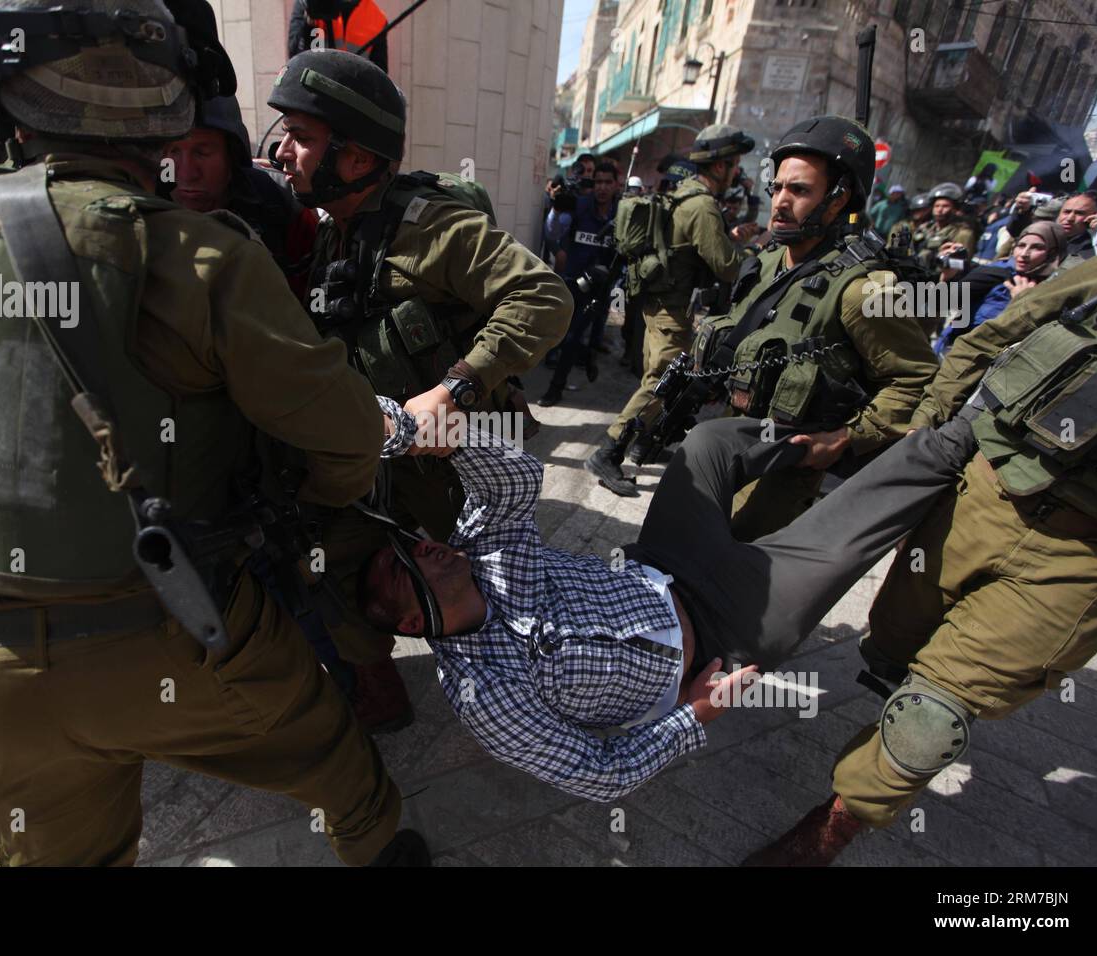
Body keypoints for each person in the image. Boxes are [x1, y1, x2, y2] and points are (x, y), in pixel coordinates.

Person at [0, 0, 425, 867]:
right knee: (331, 755)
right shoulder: (195, 255)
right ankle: (380, 848)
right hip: (172, 629)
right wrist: (305, 504)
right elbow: (346, 439)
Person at [357, 392, 980, 803]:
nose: (423, 547)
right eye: (404, 566)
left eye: (409, 541)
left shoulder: (483, 548)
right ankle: (960, 434)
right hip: (727, 635)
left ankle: (812, 447)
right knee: (848, 531)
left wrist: (416, 431)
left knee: (707, 443)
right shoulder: (487, 694)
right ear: (417, 620)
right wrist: (693, 717)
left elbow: (513, 478)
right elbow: (602, 772)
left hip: (664, 567)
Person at [750, 246, 1097, 866]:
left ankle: (831, 829)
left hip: (1086, 557)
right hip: (982, 491)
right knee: (893, 643)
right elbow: (1001, 333)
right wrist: (925, 441)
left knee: (929, 720)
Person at [267, 48, 571, 728]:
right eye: (285, 133)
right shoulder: (334, 234)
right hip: (383, 462)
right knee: (322, 559)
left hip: (458, 468)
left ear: (355, 156)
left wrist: (455, 389)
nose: (284, 152)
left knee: (499, 599)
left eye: (303, 137)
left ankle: (547, 694)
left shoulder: (431, 227)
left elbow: (544, 297)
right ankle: (379, 684)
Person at [682, 115, 939, 541]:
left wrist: (844, 438)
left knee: (733, 567)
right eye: (778, 187)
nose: (780, 202)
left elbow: (915, 380)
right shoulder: (765, 264)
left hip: (784, 469)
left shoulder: (862, 290)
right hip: (731, 443)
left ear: (839, 200)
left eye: (799, 190)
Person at [585, 127, 758, 496]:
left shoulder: (683, 195)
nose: (736, 173)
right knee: (662, 380)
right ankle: (609, 452)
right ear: (720, 165)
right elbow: (726, 266)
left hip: (655, 301)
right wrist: (750, 254)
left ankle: (644, 442)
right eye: (734, 165)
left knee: (655, 376)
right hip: (670, 308)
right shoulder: (703, 205)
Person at [161, 95, 318, 300]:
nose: (187, 173)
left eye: (203, 152)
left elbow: (314, 296)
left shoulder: (279, 202)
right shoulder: (139, 207)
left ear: (232, 155)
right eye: (173, 152)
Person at [537, 161, 620, 406]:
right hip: (575, 284)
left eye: (608, 182)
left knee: (591, 333)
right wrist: (556, 209)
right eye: (598, 182)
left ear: (616, 185)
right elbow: (553, 232)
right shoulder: (580, 206)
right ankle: (556, 388)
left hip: (603, 287)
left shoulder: (622, 215)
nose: (602, 187)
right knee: (570, 336)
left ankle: (589, 355)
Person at [932, 221, 1067, 355]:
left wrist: (1023, 304)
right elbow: (936, 304)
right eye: (1021, 245)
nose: (1024, 253)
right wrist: (947, 278)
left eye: (1037, 247)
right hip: (958, 353)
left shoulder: (1057, 287)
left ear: (1053, 252)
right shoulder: (994, 273)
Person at [288, 0, 388, 73]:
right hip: (313, 94)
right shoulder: (307, 4)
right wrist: (308, 22)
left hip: (353, 97)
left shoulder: (377, 19)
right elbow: (294, 58)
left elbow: (380, 77)